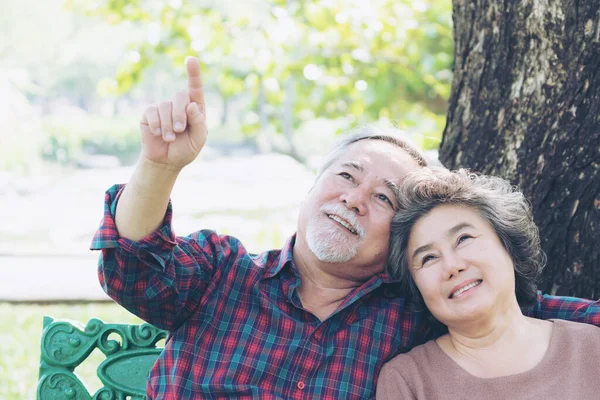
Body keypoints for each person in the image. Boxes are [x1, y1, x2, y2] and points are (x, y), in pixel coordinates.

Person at [92, 57, 600, 399]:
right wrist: (159, 168)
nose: (354, 200)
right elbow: (132, 268)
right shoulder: (221, 273)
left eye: (383, 197)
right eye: (345, 176)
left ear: (399, 239)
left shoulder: (417, 309)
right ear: (313, 187)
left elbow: (516, 308)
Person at [377, 167, 600, 399]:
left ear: (509, 246)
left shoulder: (592, 347)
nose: (453, 266)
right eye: (428, 258)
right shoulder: (407, 380)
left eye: (463, 239)